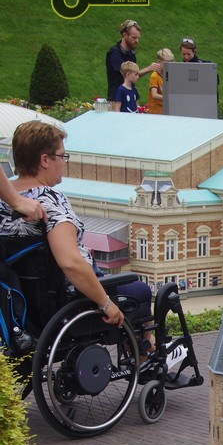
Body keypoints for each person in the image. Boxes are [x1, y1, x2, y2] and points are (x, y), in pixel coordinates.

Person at [0, 122, 132, 328]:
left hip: (20, 300)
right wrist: (105, 303)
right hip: (66, 300)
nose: (65, 163)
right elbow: (70, 263)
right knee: (139, 291)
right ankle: (147, 345)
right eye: (62, 156)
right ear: (45, 160)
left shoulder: (5, 199)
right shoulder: (50, 201)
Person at [106, 20, 160, 109]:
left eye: (138, 38)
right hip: (116, 100)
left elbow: (134, 75)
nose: (136, 41)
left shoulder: (131, 54)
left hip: (130, 97)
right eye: (134, 38)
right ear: (124, 35)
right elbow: (127, 73)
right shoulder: (114, 53)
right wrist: (148, 69)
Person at [148, 48, 174, 115]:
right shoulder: (154, 76)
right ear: (159, 62)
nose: (169, 66)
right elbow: (154, 95)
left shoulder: (169, 74)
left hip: (166, 110)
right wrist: (169, 98)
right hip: (156, 112)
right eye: (166, 63)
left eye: (171, 63)